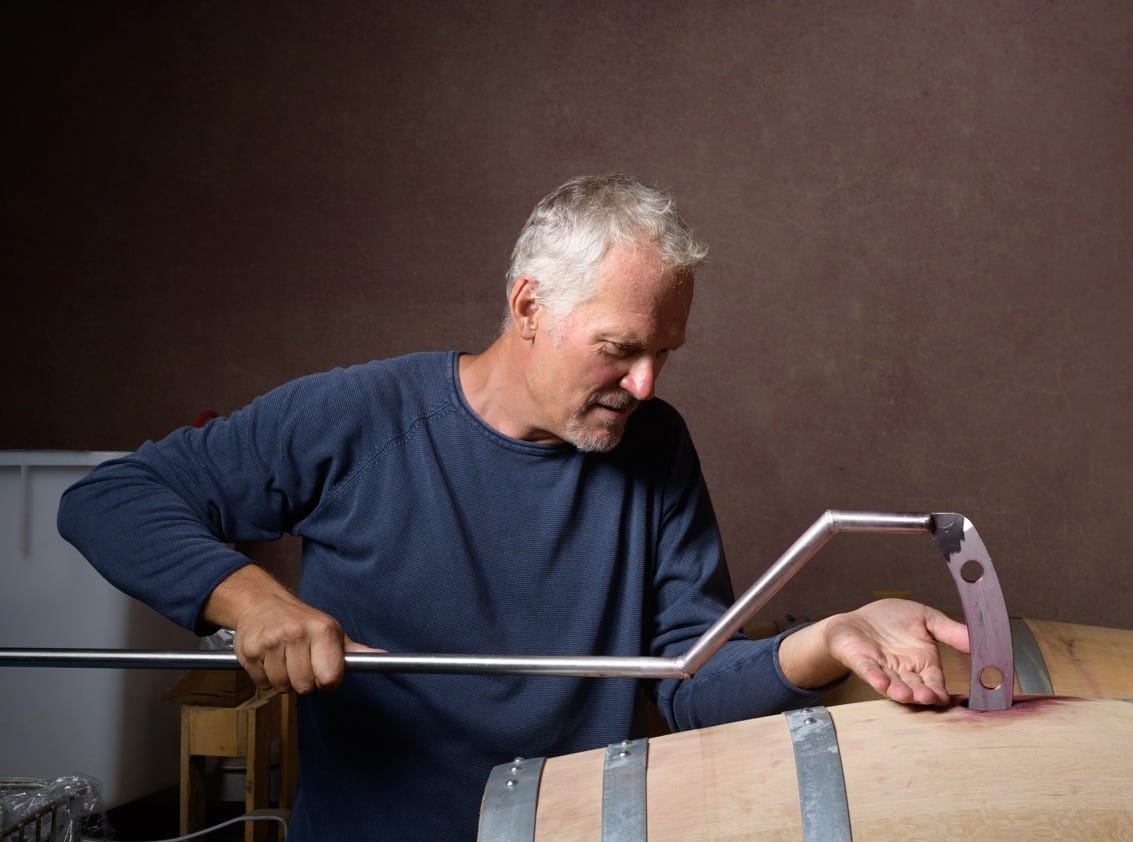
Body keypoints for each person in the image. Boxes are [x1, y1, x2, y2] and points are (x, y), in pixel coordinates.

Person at [59, 174, 969, 840]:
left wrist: (826, 639)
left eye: (666, 354)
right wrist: (249, 598)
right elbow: (111, 499)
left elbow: (687, 681)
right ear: (528, 305)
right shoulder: (358, 417)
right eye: (621, 348)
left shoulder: (655, 446)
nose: (645, 383)